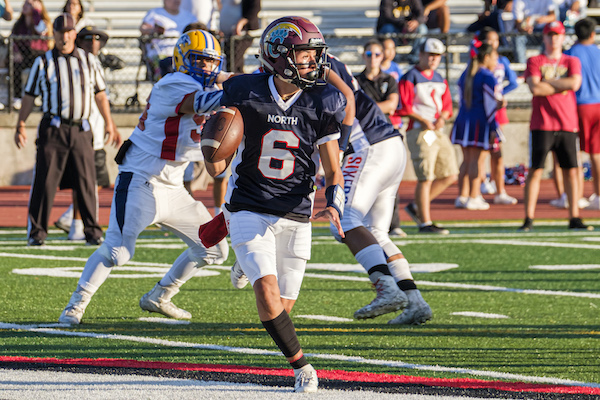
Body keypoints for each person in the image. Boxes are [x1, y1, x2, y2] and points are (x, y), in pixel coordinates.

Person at [208, 16, 347, 393]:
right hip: (249, 207)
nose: (313, 64)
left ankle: (243, 261)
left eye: (313, 56)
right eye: (304, 56)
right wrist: (211, 151)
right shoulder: (244, 91)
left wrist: (334, 203)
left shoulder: (323, 100)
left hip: (297, 214)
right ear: (278, 54)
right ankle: (303, 366)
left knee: (281, 312)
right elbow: (218, 164)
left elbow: (334, 169)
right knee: (266, 293)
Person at [58, 29, 230, 325]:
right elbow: (203, 103)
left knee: (214, 248)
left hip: (174, 186)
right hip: (141, 179)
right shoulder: (174, 82)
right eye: (199, 60)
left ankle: (161, 295)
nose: (206, 67)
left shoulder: (205, 81)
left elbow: (221, 88)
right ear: (182, 59)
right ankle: (76, 304)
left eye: (211, 62)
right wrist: (249, 87)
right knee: (117, 252)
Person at [325, 53, 432, 324]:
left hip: (368, 147)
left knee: (344, 220)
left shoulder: (317, 69)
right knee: (376, 233)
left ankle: (386, 288)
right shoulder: (328, 63)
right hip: (389, 146)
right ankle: (415, 300)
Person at [14, 13, 116, 246]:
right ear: (55, 35)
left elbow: (100, 94)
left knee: (87, 182)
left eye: (69, 32)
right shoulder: (43, 61)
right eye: (60, 32)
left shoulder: (89, 60)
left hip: (81, 129)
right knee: (45, 182)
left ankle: (92, 231)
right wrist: (20, 123)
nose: (65, 37)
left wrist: (109, 122)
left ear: (74, 35)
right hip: (54, 128)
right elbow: (29, 96)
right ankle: (37, 233)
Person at [519, 21, 592, 231]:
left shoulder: (571, 60)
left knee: (571, 170)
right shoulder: (535, 60)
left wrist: (547, 83)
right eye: (550, 35)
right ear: (544, 37)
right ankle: (529, 218)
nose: (554, 39)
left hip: (567, 123)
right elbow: (535, 87)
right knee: (536, 170)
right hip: (542, 124)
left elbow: (574, 84)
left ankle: (574, 216)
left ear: (563, 37)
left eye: (557, 35)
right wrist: (560, 85)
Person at [54, 26, 123, 240]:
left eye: (96, 39)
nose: (93, 43)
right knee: (84, 180)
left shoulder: (94, 64)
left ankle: (71, 219)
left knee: (96, 181)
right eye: (87, 39)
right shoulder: (74, 65)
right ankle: (75, 223)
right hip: (83, 130)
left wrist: (110, 125)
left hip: (96, 130)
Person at [398, 38, 457, 234]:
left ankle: (417, 207)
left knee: (450, 174)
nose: (433, 59)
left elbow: (447, 105)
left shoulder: (440, 77)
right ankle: (425, 221)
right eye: (430, 55)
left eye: (437, 56)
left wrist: (443, 117)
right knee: (426, 177)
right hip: (420, 130)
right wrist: (423, 119)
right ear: (421, 55)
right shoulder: (411, 76)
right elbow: (404, 106)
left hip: (437, 130)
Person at [465, 27, 519, 207]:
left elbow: (513, 81)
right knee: (478, 155)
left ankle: (499, 190)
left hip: (496, 113)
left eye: (495, 40)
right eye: (488, 40)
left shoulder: (501, 61)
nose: (492, 44)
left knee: (496, 152)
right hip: (483, 112)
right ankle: (475, 188)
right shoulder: (476, 66)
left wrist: (500, 94)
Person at [451, 43, 505, 211]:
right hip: (480, 122)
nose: (496, 60)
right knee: (478, 160)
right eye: (494, 57)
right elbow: (490, 106)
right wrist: (493, 125)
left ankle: (463, 195)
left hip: (463, 120)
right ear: (486, 57)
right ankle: (474, 196)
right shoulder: (487, 76)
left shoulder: (466, 74)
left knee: (466, 160)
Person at [565, 17, 600, 210]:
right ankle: (598, 195)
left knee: (575, 152)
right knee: (597, 154)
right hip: (599, 104)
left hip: (577, 106)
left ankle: (576, 195)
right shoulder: (598, 52)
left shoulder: (570, 54)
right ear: (593, 34)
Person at [140, 0, 198, 80]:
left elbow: (199, 29)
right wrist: (154, 30)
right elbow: (143, 28)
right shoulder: (155, 13)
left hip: (184, 56)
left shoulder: (189, 16)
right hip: (162, 55)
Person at [10, 0, 52, 110]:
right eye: (25, 3)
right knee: (15, 66)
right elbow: (13, 39)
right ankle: (17, 98)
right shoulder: (19, 24)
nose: (25, 6)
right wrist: (16, 52)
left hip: (38, 53)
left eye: (29, 4)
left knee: (40, 67)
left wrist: (36, 12)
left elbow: (41, 30)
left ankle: (38, 96)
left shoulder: (41, 21)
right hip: (23, 53)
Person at [355, 39, 399, 125]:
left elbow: (392, 105)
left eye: (377, 54)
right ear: (363, 56)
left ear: (382, 56)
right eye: (369, 54)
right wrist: (383, 106)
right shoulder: (356, 81)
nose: (373, 58)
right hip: (362, 126)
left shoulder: (389, 79)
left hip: (385, 124)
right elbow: (354, 107)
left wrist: (366, 109)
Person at [219, 0, 261, 73]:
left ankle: (236, 82)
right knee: (230, 62)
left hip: (242, 34)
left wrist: (241, 24)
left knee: (234, 63)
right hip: (227, 35)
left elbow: (254, 8)